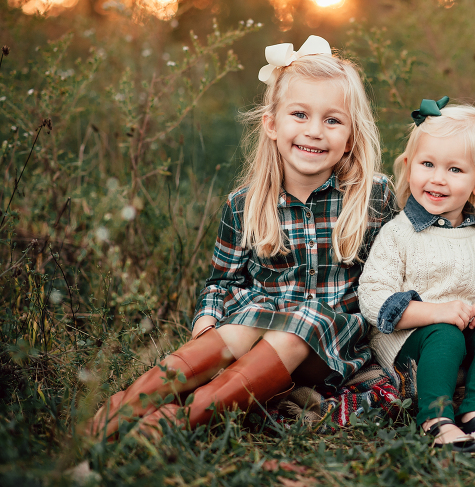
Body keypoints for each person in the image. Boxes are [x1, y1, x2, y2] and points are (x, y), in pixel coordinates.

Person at [86, 36, 397, 439]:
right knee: (238, 326)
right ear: (271, 123)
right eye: (300, 115)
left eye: (332, 120)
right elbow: (224, 282)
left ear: (351, 137)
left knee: (296, 326)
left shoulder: (372, 195)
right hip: (258, 329)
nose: (315, 132)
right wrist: (208, 323)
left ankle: (174, 424)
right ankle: (122, 410)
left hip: (332, 341)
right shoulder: (245, 204)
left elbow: (414, 252)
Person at [358, 98, 475, 452]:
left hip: (463, 340)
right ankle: (436, 419)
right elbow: (372, 297)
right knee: (444, 334)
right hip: (409, 347)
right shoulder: (399, 233)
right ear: (409, 167)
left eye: (455, 170)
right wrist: (435, 312)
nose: (437, 178)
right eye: (427, 164)